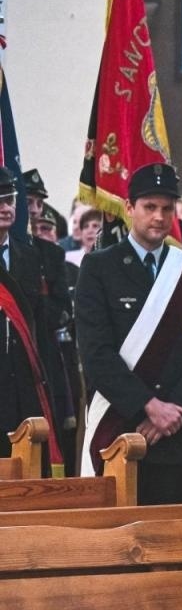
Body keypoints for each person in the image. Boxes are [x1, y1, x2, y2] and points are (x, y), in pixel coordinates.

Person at [76, 163, 182, 503]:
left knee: (173, 541)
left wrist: (170, 412)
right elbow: (96, 353)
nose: (158, 216)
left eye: (167, 208)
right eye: (149, 207)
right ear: (129, 209)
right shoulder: (99, 269)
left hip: (176, 432)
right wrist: (148, 406)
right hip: (121, 428)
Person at [0, 168, 67, 468]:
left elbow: (40, 325)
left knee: (27, 479)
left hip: (23, 387)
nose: (5, 206)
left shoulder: (29, 257)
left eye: (10, 198)